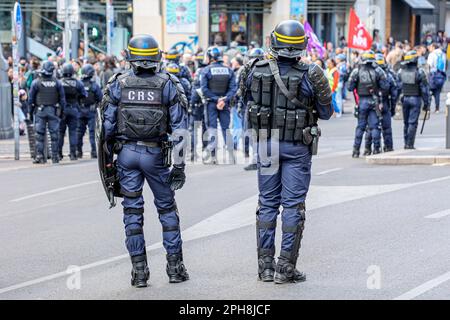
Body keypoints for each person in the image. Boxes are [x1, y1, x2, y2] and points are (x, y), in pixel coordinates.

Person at [243, 20, 333, 284]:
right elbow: (327, 113)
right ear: (302, 46)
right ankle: (285, 269)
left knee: (267, 203)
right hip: (296, 147)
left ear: (273, 42)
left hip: (266, 143)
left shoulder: (254, 69)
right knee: (293, 206)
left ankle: (265, 268)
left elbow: (246, 101)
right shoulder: (312, 73)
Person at [100, 34, 189, 287]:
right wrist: (180, 167)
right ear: (157, 57)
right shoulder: (169, 83)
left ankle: (139, 273)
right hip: (156, 156)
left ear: (130, 57)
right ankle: (175, 268)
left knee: (132, 212)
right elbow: (181, 130)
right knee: (167, 209)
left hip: (126, 156)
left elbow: (104, 130)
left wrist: (108, 166)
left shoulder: (118, 83)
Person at [347, 50, 389, 158]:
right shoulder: (378, 70)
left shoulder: (357, 71)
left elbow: (349, 87)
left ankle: (356, 150)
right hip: (374, 100)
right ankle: (376, 149)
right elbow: (385, 86)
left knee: (360, 127)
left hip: (362, 101)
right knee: (374, 126)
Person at [199, 46, 236, 164]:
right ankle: (231, 155)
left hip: (211, 103)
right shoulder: (229, 70)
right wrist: (223, 100)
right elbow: (233, 88)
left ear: (210, 57)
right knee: (226, 128)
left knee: (212, 128)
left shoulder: (206, 70)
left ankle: (212, 156)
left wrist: (216, 99)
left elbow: (204, 89)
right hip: (224, 104)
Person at [28, 61, 66, 164]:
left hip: (40, 111)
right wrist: (62, 113)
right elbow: (62, 100)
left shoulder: (36, 82)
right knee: (54, 135)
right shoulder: (57, 82)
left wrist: (30, 113)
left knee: (39, 135)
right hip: (53, 111)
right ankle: (55, 157)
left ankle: (40, 156)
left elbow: (30, 100)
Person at [364, 54, 399, 154]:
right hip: (384, 102)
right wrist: (393, 105)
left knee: (371, 126)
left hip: (371, 102)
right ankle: (388, 147)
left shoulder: (367, 72)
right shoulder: (389, 74)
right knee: (386, 127)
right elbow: (395, 90)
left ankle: (368, 148)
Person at [398, 50, 430, 149]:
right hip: (415, 99)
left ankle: (405, 142)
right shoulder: (419, 72)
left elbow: (398, 87)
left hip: (405, 98)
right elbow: (424, 90)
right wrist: (426, 103)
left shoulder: (400, 71)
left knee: (406, 122)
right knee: (412, 123)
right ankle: (409, 144)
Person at [59, 63, 87, 161]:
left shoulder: (60, 82)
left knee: (60, 132)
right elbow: (84, 95)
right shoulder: (78, 83)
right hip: (74, 108)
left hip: (62, 110)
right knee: (73, 132)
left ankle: (59, 153)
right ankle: (73, 154)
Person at [78, 63, 103, 158]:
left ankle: (78, 152)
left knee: (79, 132)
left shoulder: (79, 84)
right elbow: (100, 98)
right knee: (92, 133)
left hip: (80, 110)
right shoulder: (94, 86)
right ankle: (93, 152)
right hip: (90, 111)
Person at [189, 52, 208, 161]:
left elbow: (195, 89)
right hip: (206, 104)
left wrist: (191, 104)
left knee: (194, 129)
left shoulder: (199, 72)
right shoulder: (208, 70)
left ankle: (193, 152)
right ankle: (206, 151)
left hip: (197, 105)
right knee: (205, 128)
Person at [427, 43, 447, 113]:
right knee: (437, 92)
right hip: (441, 75)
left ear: (433, 47)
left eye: (430, 47)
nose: (429, 48)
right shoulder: (443, 54)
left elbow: (429, 65)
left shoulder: (432, 54)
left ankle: (428, 108)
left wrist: (427, 74)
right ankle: (437, 109)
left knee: (428, 91)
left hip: (433, 75)